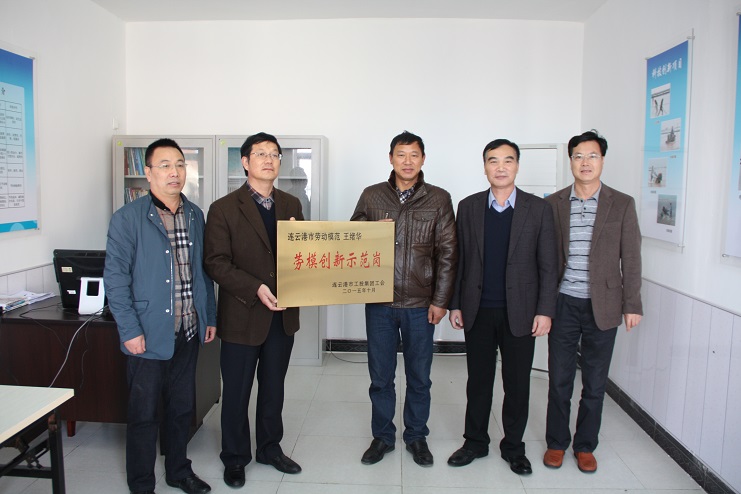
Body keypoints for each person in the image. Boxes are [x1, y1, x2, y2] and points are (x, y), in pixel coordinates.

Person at [105, 138, 217, 494]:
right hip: (148, 332)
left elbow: (202, 272)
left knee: (181, 408)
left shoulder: (195, 214)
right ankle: (141, 483)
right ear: (148, 172)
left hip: (188, 329)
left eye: (180, 165)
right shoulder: (128, 218)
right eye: (165, 165)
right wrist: (129, 330)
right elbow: (115, 280)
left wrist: (209, 316)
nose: (174, 172)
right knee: (143, 414)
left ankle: (178, 471)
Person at [446, 139, 558, 475]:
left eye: (508, 160)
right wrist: (455, 304)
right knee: (478, 381)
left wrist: (545, 310)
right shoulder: (468, 207)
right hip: (478, 309)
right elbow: (460, 259)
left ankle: (513, 448)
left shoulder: (538, 209)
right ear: (485, 167)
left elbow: (549, 265)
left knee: (517, 384)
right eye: (493, 161)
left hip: (520, 312)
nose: (501, 167)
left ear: (517, 166)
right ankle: (475, 442)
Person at [351, 130, 457, 467]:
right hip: (379, 303)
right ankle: (382, 437)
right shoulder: (371, 195)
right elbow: (350, 241)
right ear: (391, 158)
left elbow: (448, 253)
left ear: (423, 159)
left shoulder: (439, 198)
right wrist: (373, 231)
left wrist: (440, 300)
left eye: (414, 155)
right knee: (380, 377)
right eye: (401, 154)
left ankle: (416, 436)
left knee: (419, 377)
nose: (407, 161)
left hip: (420, 304)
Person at [204, 132, 304, 488]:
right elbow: (216, 262)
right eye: (261, 154)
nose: (269, 160)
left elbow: (301, 254)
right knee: (236, 392)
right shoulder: (223, 208)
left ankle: (269, 448)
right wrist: (256, 288)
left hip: (282, 315)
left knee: (273, 388)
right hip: (242, 314)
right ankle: (234, 457)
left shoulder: (291, 204)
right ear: (245, 162)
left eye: (275, 154)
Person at [543, 130, 642, 473]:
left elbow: (631, 257)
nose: (585, 162)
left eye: (592, 156)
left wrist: (632, 304)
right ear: (570, 161)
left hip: (605, 304)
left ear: (602, 160)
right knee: (559, 381)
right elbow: (545, 259)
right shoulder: (553, 204)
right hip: (563, 303)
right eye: (578, 156)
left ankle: (585, 446)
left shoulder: (622, 203)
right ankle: (556, 442)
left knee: (595, 383)